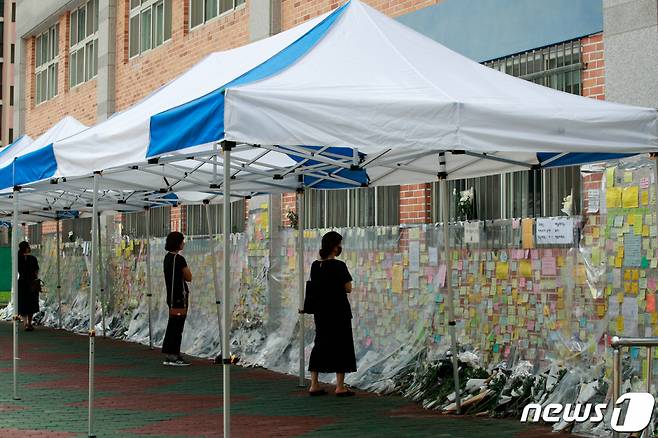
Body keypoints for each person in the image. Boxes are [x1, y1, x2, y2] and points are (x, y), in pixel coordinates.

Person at [304, 231, 357, 397]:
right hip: (339, 311)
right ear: (334, 247)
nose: (340, 247)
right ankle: (340, 386)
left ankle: (314, 384)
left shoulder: (315, 266)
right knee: (342, 345)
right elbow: (348, 288)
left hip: (321, 312)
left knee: (320, 343)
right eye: (339, 244)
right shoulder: (339, 266)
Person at [162, 231, 192, 367]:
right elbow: (189, 277)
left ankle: (169, 353)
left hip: (171, 296)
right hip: (179, 296)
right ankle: (174, 354)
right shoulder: (179, 259)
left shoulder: (167, 258)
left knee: (172, 324)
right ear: (177, 243)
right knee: (177, 326)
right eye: (182, 240)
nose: (184, 243)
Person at [17, 241, 40, 331]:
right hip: (32, 283)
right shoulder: (32, 258)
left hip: (22, 283)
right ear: (26, 248)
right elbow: (36, 271)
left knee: (23, 302)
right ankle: (29, 323)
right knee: (32, 303)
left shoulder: (18, 258)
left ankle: (25, 323)